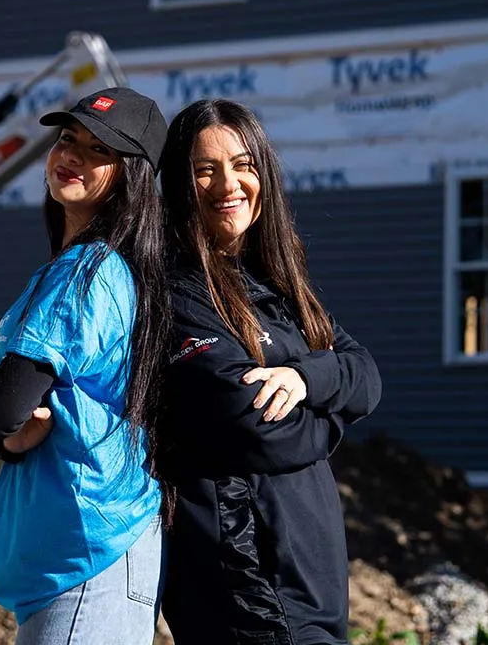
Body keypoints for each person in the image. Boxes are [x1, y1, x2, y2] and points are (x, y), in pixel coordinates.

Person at [155, 99, 383, 645]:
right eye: (204, 169)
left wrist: (305, 380)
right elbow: (255, 425)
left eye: (243, 164)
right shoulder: (177, 292)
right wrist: (334, 418)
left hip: (310, 585)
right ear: (179, 186)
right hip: (247, 586)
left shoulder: (278, 287)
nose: (227, 183)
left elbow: (366, 375)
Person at [0, 86, 171, 645]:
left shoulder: (85, 272)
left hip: (88, 568)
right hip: (85, 568)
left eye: (98, 148)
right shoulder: (108, 270)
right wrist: (2, 432)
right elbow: (4, 419)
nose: (71, 154)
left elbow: (0, 407)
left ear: (133, 175)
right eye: (66, 138)